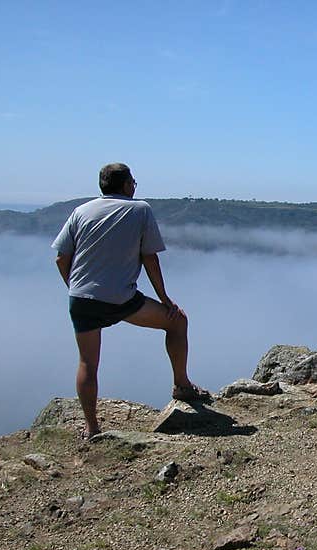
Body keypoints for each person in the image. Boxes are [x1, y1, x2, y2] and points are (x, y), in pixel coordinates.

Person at [52, 162, 210, 439]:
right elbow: (150, 257)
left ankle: (91, 428)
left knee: (88, 364)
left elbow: (61, 258)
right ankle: (182, 385)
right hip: (121, 299)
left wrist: (75, 287)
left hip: (81, 299)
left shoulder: (81, 211)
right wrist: (166, 301)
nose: (135, 186)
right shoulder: (140, 210)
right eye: (133, 182)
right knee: (177, 322)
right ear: (126, 185)